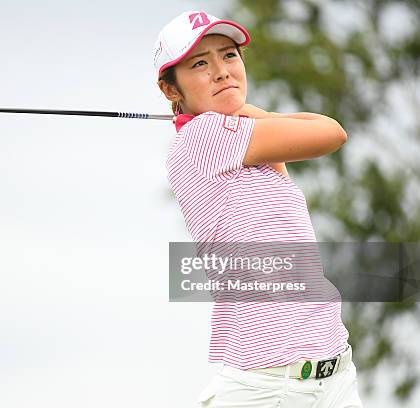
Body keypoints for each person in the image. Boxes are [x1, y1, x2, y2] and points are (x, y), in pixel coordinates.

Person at [153, 11, 364, 407]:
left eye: (229, 55)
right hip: (268, 390)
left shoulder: (243, 141)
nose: (221, 72)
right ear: (170, 90)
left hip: (334, 379)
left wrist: (251, 115)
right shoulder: (204, 136)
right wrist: (256, 114)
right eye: (200, 63)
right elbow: (331, 132)